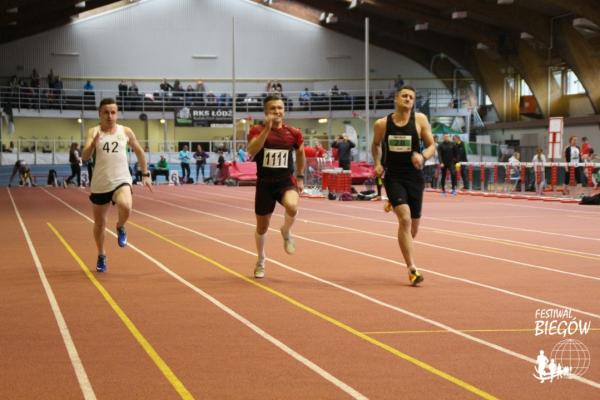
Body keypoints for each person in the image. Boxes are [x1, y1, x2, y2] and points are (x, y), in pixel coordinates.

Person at [371, 85, 435, 286]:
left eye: (412, 97)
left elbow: (432, 145)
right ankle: (412, 269)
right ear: (396, 99)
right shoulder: (382, 123)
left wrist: (422, 156)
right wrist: (378, 163)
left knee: (413, 228)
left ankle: (394, 203)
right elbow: (375, 145)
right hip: (394, 177)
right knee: (405, 220)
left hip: (414, 178)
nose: (408, 100)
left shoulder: (420, 120)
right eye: (405, 96)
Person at [81, 98, 151, 273]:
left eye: (113, 112)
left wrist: (145, 173)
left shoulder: (125, 131)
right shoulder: (93, 131)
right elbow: (85, 157)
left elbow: (139, 151)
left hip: (122, 179)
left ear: (117, 114)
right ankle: (101, 254)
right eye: (106, 112)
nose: (110, 116)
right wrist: (93, 144)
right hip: (100, 183)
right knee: (99, 224)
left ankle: (120, 226)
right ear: (100, 113)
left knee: (126, 205)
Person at [247, 94, 305, 279]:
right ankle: (261, 260)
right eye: (273, 109)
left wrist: (301, 176)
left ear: (284, 110)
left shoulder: (293, 133)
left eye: (280, 108)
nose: (277, 112)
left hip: (285, 182)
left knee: (292, 205)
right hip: (264, 184)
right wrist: (267, 129)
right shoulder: (256, 130)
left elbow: (301, 153)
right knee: (262, 227)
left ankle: (286, 231)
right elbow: (252, 150)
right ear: (266, 112)